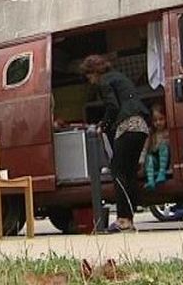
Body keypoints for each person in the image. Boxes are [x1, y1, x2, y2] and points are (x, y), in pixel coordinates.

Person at [80, 54, 149, 233]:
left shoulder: (104, 81)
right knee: (130, 173)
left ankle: (123, 220)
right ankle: (130, 218)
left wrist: (103, 125)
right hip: (141, 126)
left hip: (126, 126)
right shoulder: (120, 77)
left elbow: (113, 106)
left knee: (118, 171)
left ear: (94, 72)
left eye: (89, 76)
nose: (91, 81)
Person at [143, 103, 170, 191]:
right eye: (155, 120)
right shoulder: (151, 134)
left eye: (161, 119)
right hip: (155, 162)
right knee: (149, 157)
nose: (158, 123)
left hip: (166, 163)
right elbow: (146, 149)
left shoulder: (168, 132)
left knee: (163, 147)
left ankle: (161, 174)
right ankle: (151, 181)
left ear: (166, 118)